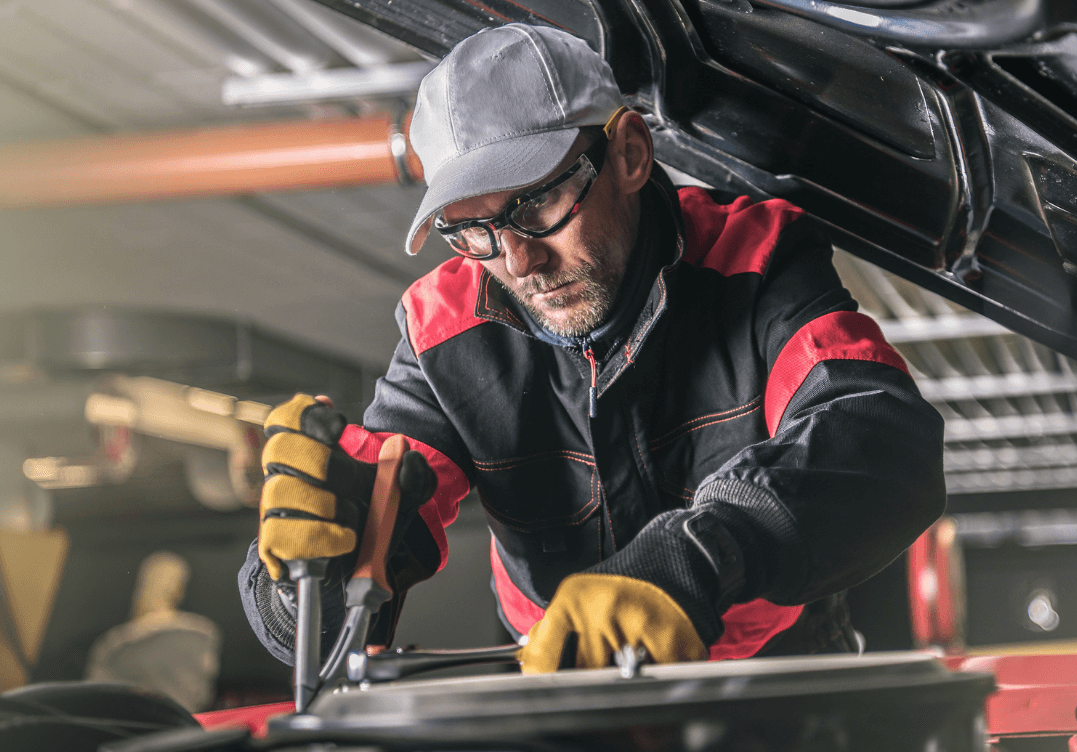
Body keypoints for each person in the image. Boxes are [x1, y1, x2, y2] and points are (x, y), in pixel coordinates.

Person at [239, 23, 945, 674]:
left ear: (629, 154)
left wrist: (696, 558)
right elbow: (373, 537)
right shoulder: (441, 329)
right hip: (558, 668)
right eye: (473, 231)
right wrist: (310, 576)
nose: (518, 262)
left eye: (536, 205)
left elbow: (876, 433)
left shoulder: (755, 261)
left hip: (767, 664)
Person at [88, 551, 220, 712]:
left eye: (168, 581)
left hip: (171, 720)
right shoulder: (113, 644)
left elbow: (200, 694)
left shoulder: (197, 634)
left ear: (179, 590)